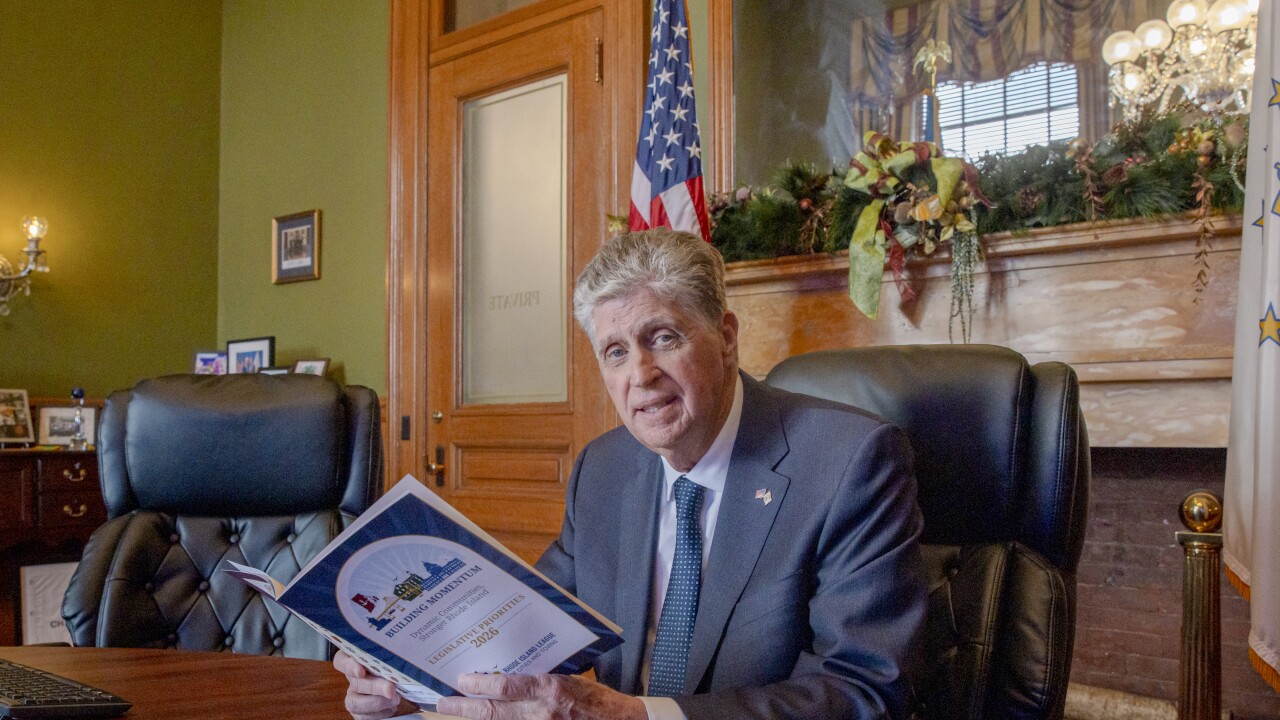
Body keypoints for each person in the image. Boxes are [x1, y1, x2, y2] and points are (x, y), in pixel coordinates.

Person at [338, 228, 926, 720]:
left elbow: (866, 691)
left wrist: (638, 717)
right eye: (615, 352)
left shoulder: (849, 462)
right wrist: (410, 677)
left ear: (725, 338)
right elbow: (521, 628)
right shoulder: (605, 468)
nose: (639, 375)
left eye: (662, 338)